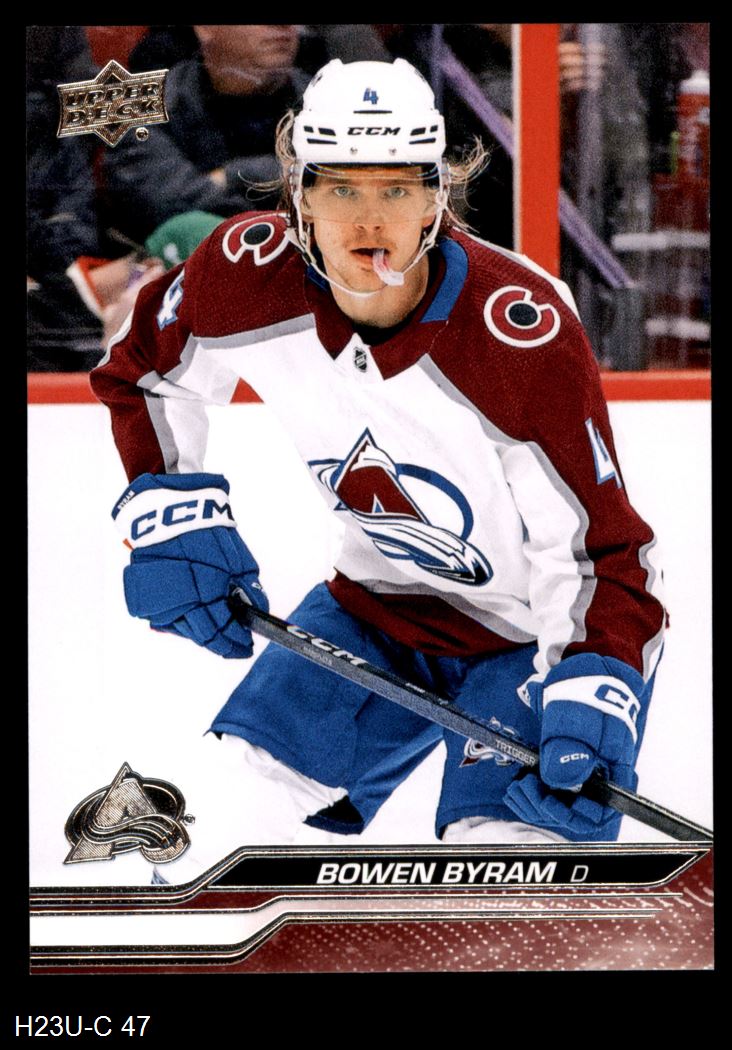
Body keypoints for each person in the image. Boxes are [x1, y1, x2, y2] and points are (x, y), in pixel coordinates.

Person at [91, 59, 667, 878]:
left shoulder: (517, 332)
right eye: (341, 189)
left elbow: (604, 552)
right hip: (374, 614)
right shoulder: (245, 275)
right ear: (299, 196)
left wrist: (592, 687)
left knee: (509, 869)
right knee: (213, 822)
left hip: (528, 636)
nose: (369, 219)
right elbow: (142, 370)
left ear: (437, 198)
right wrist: (171, 514)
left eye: (397, 189)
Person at [101, 25, 310, 243]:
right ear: (205, 28)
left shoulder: (326, 100)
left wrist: (232, 177)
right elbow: (167, 207)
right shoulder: (138, 108)